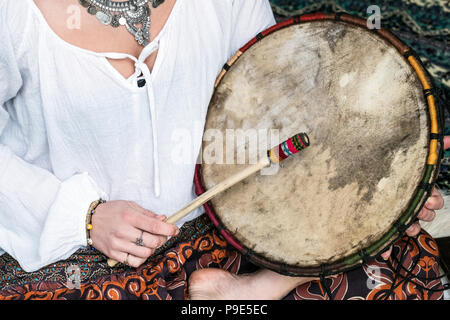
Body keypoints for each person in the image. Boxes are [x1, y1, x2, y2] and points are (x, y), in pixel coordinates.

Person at [0, 0, 445, 300]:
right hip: (77, 256)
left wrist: (380, 179)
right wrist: (86, 216)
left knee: (384, 257)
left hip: (220, 228)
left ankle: (254, 290)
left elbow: (281, 104)